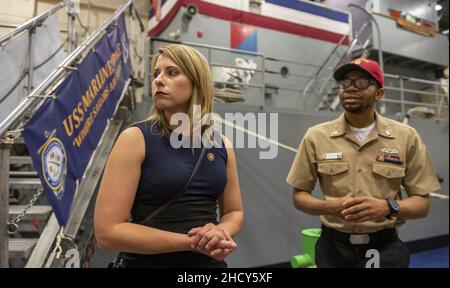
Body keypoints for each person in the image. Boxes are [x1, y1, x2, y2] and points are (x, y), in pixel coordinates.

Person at [94, 44, 244, 268]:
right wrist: (193, 243)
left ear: (197, 82)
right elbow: (108, 233)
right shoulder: (134, 139)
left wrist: (220, 231)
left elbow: (234, 211)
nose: (158, 80)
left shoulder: (222, 145)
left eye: (171, 72)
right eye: (156, 74)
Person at [286, 58, 441, 268]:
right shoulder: (316, 136)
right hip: (333, 250)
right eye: (345, 83)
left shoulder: (406, 137)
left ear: (379, 93)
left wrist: (387, 207)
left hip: (385, 249)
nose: (350, 88)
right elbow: (299, 197)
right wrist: (330, 206)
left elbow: (422, 205)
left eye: (361, 83)